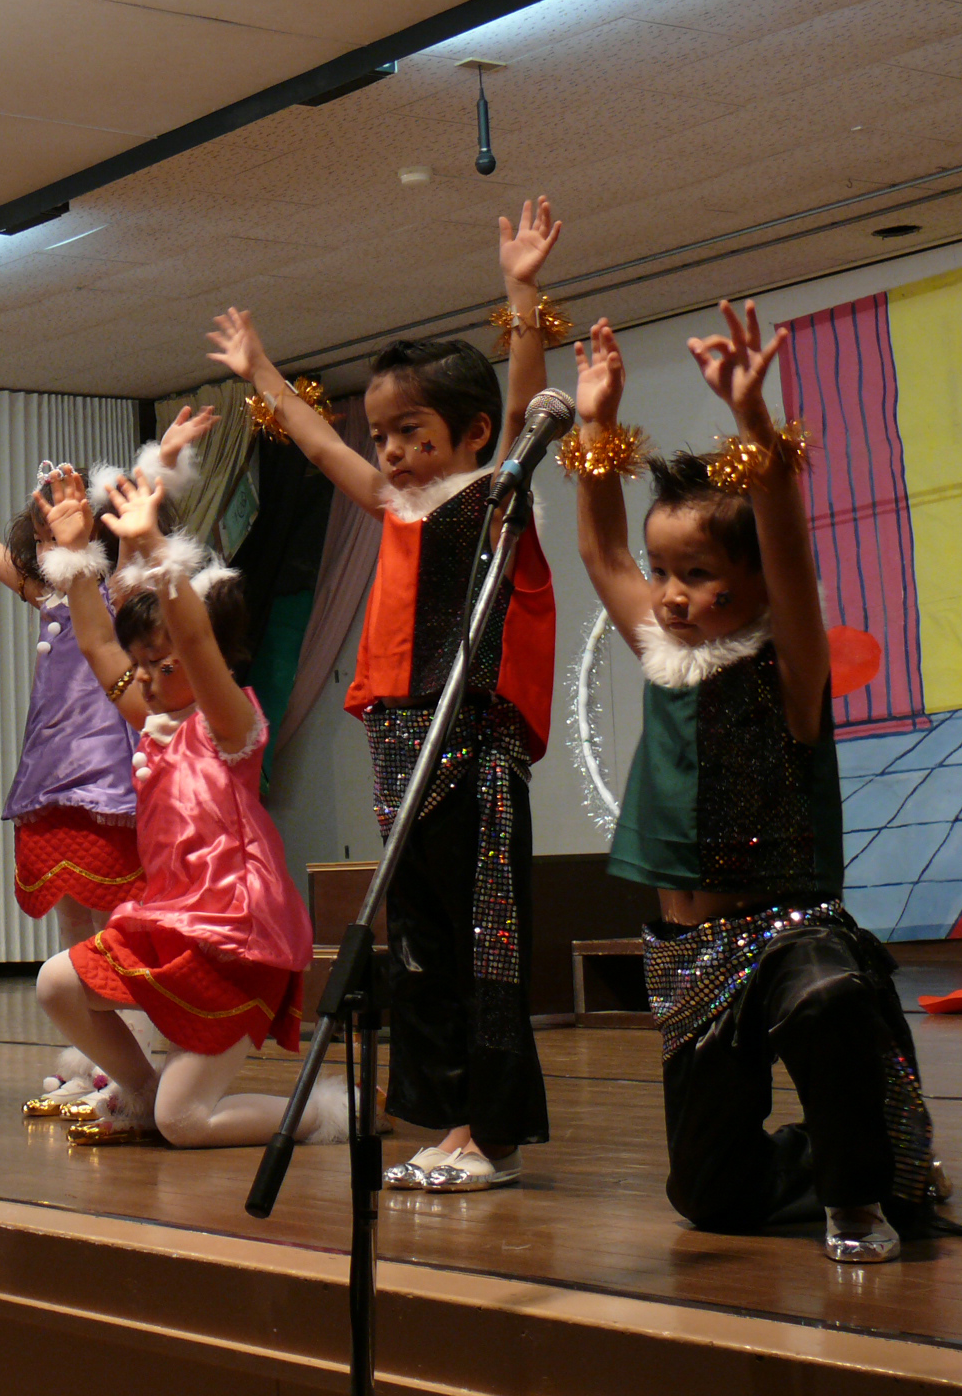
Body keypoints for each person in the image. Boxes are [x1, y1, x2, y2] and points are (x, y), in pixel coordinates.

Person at [568, 305, 962, 1262]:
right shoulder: (664, 654)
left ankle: (856, 1199)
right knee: (710, 1199)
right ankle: (842, 1157)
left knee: (828, 999)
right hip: (689, 952)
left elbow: (791, 557)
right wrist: (596, 424)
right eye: (664, 571)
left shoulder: (790, 670)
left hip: (788, 933)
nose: (669, 593)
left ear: (750, 587)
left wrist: (756, 431)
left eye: (697, 573)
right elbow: (601, 551)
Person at [206, 197, 564, 1190]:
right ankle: (444, 1121)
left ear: (470, 434)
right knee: (420, 948)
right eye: (383, 436)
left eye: (411, 432)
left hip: (472, 751)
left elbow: (525, 413)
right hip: (400, 750)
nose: (392, 453)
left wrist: (521, 294)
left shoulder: (490, 500)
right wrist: (262, 375)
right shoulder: (393, 508)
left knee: (484, 945)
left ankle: (490, 1135)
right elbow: (323, 453)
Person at [0, 411, 216, 1112]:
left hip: (110, 770)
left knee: (118, 916)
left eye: (63, 527)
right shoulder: (48, 593)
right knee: (72, 916)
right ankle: (90, 1054)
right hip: (52, 768)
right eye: (44, 531)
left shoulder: (114, 593)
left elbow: (140, 535)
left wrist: (164, 459)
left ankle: (132, 1054)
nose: (51, 541)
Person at [30, 469, 339, 1149]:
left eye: (160, 664)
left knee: (186, 1123)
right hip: (169, 921)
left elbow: (195, 644)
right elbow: (97, 645)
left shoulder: (231, 727)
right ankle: (139, 1092)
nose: (144, 676)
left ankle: (321, 1114)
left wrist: (156, 550)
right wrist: (77, 559)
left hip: (235, 937)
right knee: (57, 984)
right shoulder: (154, 724)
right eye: (141, 664)